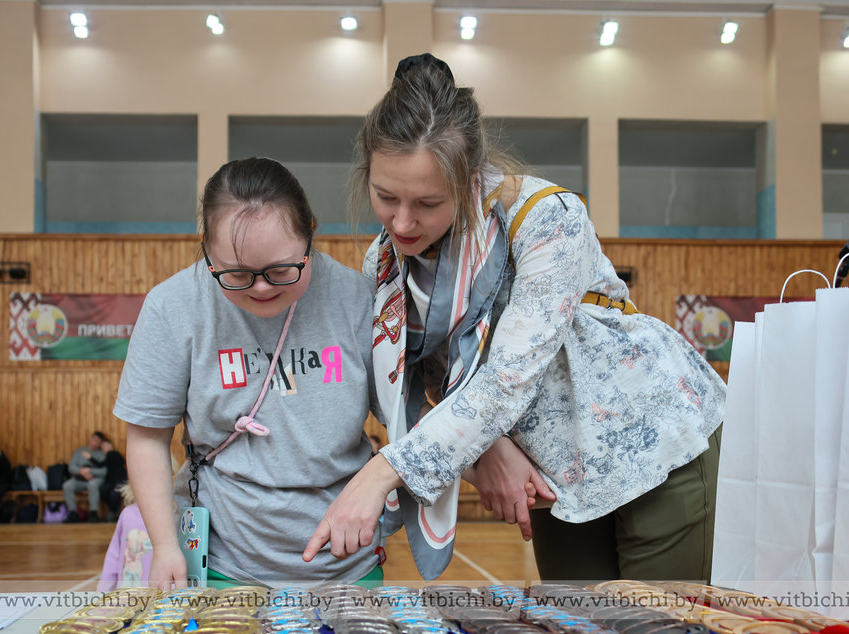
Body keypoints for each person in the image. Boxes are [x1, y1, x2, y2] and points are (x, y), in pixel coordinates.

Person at [304, 54, 727, 583]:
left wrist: (382, 473)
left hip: (655, 444)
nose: (403, 221)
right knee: (578, 627)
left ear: (468, 180)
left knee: (661, 628)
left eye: (428, 203)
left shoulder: (545, 217)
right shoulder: (386, 266)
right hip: (554, 476)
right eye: (386, 197)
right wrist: (490, 451)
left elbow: (507, 378)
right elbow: (426, 384)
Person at [114, 157, 381, 589]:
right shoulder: (172, 307)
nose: (261, 288)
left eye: (281, 270)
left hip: (348, 564)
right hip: (224, 564)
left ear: (311, 233)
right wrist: (164, 546)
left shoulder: (358, 299)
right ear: (205, 246)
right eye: (237, 273)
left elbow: (408, 420)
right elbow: (147, 437)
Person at [98, 483, 153, 591]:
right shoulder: (127, 514)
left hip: (160, 595)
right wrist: (103, 592)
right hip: (128, 594)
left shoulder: (173, 516)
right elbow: (114, 556)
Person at [64, 431, 108, 523]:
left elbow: (104, 471)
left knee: (92, 485)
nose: (96, 443)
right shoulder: (79, 451)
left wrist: (90, 471)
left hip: (95, 479)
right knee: (67, 485)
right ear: (90, 439)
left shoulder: (102, 454)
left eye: (99, 442)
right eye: (95, 440)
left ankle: (93, 514)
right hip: (80, 478)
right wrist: (81, 471)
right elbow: (71, 467)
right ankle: (73, 513)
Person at [98, 438, 128, 522]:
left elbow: (100, 464)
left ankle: (113, 512)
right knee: (104, 490)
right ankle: (115, 510)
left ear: (110, 446)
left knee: (114, 494)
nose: (103, 448)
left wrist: (90, 458)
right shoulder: (109, 455)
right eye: (102, 447)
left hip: (121, 480)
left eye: (105, 446)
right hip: (111, 482)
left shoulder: (112, 454)